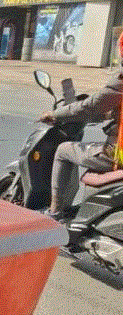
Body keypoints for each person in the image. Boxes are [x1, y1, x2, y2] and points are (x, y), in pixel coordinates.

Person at [39, 33, 123, 220]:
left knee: (63, 150)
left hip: (118, 154)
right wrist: (108, 115)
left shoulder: (121, 80)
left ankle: (55, 212)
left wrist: (54, 114)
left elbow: (90, 106)